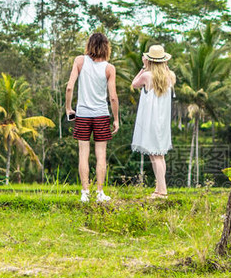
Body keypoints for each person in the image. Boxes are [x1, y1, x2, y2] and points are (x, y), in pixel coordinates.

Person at [65, 33, 120, 203]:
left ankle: (85, 192)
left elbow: (69, 87)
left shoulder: (80, 61)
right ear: (106, 47)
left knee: (83, 153)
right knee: (101, 154)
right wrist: (116, 119)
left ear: (89, 45)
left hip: (82, 114)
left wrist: (68, 108)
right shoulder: (109, 68)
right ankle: (100, 193)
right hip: (101, 114)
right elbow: (113, 97)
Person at [130, 44, 175, 199]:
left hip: (150, 120)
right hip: (162, 121)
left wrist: (143, 67)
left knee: (155, 155)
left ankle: (162, 191)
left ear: (149, 60)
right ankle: (159, 188)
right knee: (159, 155)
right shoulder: (170, 76)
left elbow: (134, 84)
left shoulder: (147, 76)